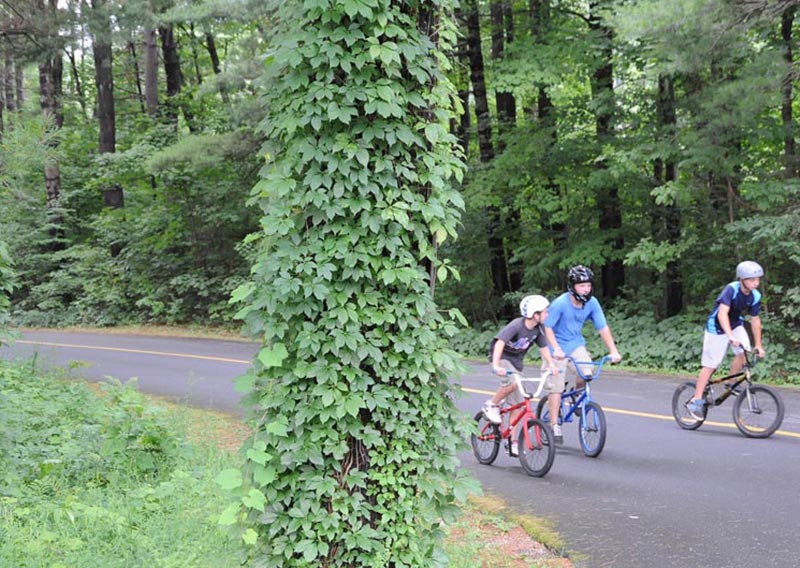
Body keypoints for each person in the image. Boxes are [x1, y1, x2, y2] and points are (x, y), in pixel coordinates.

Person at [543, 265, 622, 443]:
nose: (586, 289)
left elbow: (602, 327)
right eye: (581, 285)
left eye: (588, 285)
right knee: (556, 386)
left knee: (587, 372)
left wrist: (613, 351)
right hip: (555, 348)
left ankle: (577, 394)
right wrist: (555, 349)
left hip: (575, 345)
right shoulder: (560, 303)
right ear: (572, 286)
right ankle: (554, 424)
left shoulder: (592, 303)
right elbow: (547, 327)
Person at [686, 261, 766, 419]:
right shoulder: (731, 289)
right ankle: (695, 400)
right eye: (751, 280)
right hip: (716, 327)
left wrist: (758, 345)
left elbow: (755, 320)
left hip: (736, 324)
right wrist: (729, 336)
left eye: (757, 279)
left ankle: (730, 382)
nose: (755, 283)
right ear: (742, 279)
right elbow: (722, 314)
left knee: (744, 352)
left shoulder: (755, 295)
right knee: (710, 365)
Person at [482, 294, 557, 456]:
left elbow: (544, 348)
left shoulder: (537, 329)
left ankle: (513, 440)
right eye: (545, 312)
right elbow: (500, 342)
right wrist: (496, 365)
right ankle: (492, 404)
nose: (547, 314)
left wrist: (551, 364)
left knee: (519, 404)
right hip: (502, 358)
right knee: (514, 382)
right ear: (535, 314)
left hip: (516, 363)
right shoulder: (517, 325)